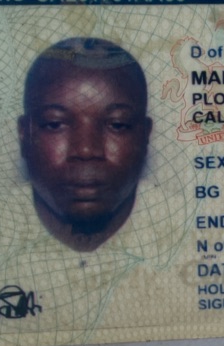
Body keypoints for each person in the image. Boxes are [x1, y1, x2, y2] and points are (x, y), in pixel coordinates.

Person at [18, 36, 151, 252]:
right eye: (54, 124)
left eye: (117, 124)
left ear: (145, 136)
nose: (86, 150)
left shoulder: (188, 230)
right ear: (24, 136)